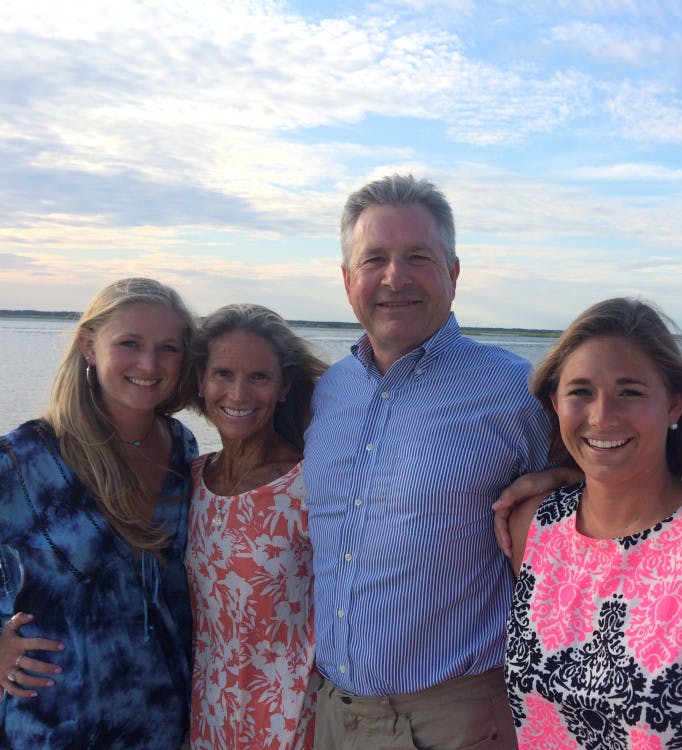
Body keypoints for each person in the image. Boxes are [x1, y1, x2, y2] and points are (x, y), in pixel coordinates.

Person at [303, 174, 551, 749]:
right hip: (333, 715)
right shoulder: (330, 390)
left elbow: (604, 510)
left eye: (418, 256)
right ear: (347, 281)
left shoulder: (518, 391)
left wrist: (564, 475)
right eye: (374, 260)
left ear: (454, 273)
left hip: (454, 719)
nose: (395, 278)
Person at [504, 297, 682, 749]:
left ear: (674, 406)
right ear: (555, 403)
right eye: (581, 392)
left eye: (630, 391)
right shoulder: (534, 528)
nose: (602, 415)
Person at [0, 277, 198, 748]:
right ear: (90, 345)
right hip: (55, 723)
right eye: (129, 343)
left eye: (167, 348)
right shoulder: (22, 459)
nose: (149, 364)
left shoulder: (182, 449)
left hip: (166, 721)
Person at [185, 304, 328, 750]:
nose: (239, 393)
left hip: (292, 722)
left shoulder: (312, 483)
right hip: (207, 717)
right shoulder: (190, 480)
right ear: (202, 382)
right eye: (223, 374)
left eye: (259, 377)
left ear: (284, 386)